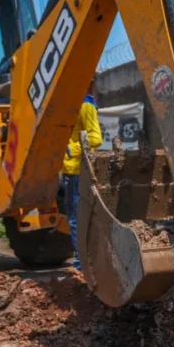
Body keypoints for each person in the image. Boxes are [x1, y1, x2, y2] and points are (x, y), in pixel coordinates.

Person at [61, 84, 103, 271]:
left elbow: (95, 138)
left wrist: (71, 150)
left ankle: (82, 266)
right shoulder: (70, 105)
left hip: (78, 171)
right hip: (71, 171)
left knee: (77, 220)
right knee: (75, 219)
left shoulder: (85, 105)